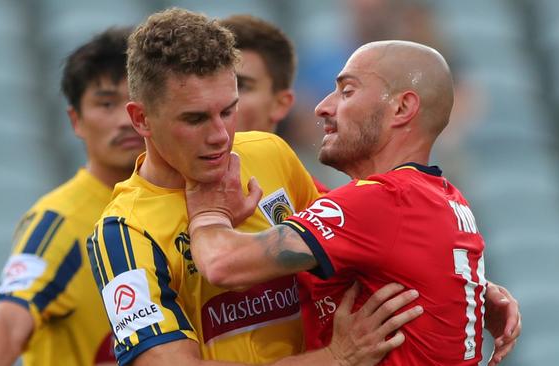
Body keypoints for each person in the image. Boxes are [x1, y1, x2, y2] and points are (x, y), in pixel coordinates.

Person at [88, 8, 423, 366]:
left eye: (228, 111)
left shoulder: (270, 152)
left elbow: (362, 247)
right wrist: (335, 358)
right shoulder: (124, 232)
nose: (220, 136)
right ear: (141, 119)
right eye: (195, 118)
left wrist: (472, 288)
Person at [183, 40, 521, 365]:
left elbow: (223, 263)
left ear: (402, 108)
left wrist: (208, 211)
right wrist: (475, 292)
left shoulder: (382, 201)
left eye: (347, 92)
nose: (323, 106)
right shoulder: (444, 197)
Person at [0, 27, 145, 366]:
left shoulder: (187, 205)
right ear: (76, 120)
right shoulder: (59, 221)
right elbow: (7, 319)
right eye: (105, 103)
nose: (124, 120)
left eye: (136, 103)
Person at [220, 14, 330, 193]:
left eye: (240, 86)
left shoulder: (316, 205)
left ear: (280, 104)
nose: (222, 101)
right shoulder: (166, 193)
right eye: (214, 84)